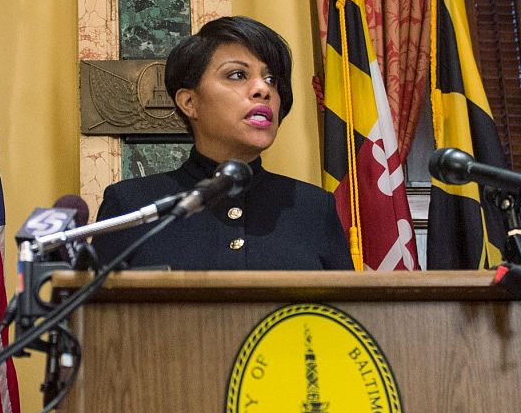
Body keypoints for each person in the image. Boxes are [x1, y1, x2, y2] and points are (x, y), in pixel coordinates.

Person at [93, 16, 353, 270]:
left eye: (271, 79)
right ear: (189, 103)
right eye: (237, 75)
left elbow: (347, 313)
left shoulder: (313, 207)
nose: (263, 89)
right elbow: (97, 310)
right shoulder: (132, 204)